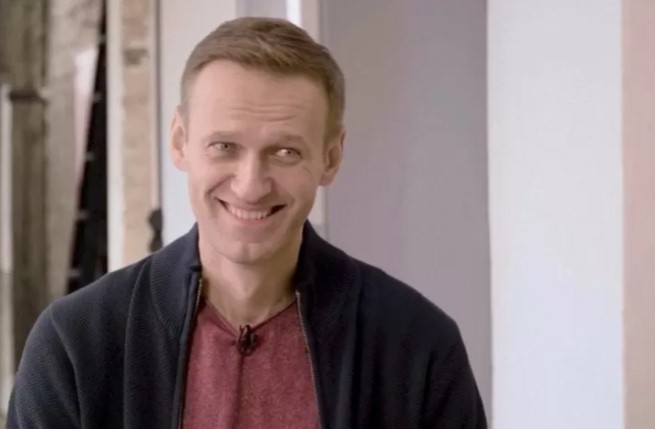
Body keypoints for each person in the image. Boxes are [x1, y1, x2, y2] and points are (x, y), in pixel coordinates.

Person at [8, 17, 486, 429]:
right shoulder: (73, 346)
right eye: (225, 147)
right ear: (180, 141)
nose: (251, 185)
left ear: (331, 157)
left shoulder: (418, 346)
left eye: (286, 151)